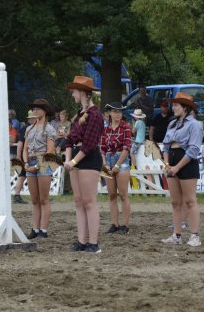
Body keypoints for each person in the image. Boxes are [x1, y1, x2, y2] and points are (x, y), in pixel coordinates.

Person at [64, 76, 104, 253]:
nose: (72, 94)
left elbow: (89, 144)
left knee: (89, 201)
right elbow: (69, 139)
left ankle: (93, 243)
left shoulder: (95, 114)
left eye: (74, 91)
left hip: (88, 158)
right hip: (76, 157)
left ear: (82, 93)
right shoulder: (78, 115)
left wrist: (73, 160)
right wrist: (68, 159)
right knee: (79, 201)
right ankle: (81, 241)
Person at [161, 92, 204, 246]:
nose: (173, 108)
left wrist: (177, 167)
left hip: (186, 162)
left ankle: (194, 236)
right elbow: (166, 146)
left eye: (176, 105)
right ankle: (176, 235)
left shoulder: (195, 125)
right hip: (172, 160)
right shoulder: (172, 123)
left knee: (190, 200)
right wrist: (167, 164)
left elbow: (193, 150)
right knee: (175, 202)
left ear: (185, 107)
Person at [22, 99, 56, 239]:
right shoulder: (29, 129)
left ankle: (43, 229)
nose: (35, 111)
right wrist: (25, 163)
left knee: (44, 199)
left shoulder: (49, 129)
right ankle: (35, 229)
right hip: (30, 161)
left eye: (38, 109)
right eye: (34, 109)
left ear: (45, 111)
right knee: (34, 199)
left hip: (43, 163)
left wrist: (37, 166)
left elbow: (50, 151)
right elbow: (25, 148)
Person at [101, 102, 132, 235]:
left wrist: (117, 165)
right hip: (108, 160)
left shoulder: (126, 128)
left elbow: (126, 147)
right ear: (110, 113)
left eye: (119, 111)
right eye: (115, 111)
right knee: (112, 194)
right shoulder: (105, 129)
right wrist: (105, 164)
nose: (118, 114)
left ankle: (125, 225)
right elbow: (102, 148)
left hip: (122, 160)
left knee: (123, 194)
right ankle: (114, 224)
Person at [13, 109, 37, 204]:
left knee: (23, 176)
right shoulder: (25, 129)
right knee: (22, 175)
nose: (33, 119)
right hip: (26, 155)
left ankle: (17, 195)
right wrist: (18, 156)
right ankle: (17, 195)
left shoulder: (29, 128)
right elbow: (20, 143)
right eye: (32, 118)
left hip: (29, 154)